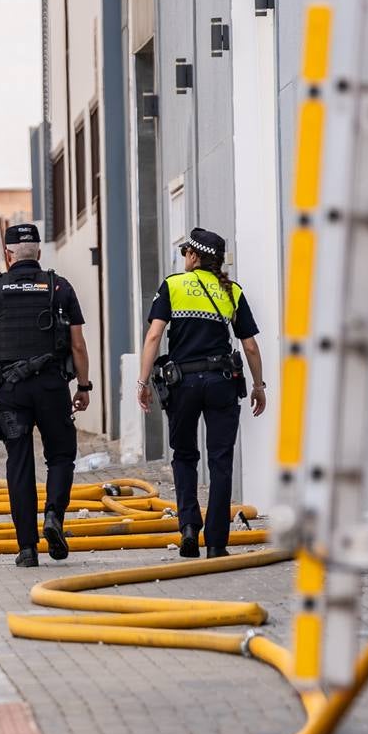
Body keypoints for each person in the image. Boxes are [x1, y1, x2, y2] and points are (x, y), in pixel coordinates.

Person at [136, 227, 267, 560]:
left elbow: (154, 337)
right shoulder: (232, 291)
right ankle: (218, 543)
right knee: (220, 461)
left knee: (184, 456)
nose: (184, 259)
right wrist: (258, 385)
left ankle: (189, 529)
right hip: (223, 382)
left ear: (193, 256)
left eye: (185, 254)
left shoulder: (173, 285)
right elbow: (249, 345)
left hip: (183, 384)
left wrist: (142, 383)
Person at [0, 223, 92, 568]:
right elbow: (78, 344)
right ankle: (53, 514)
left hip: (11, 391)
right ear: (38, 252)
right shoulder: (59, 287)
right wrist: (83, 386)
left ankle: (26, 549)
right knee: (62, 455)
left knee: (19, 464)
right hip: (52, 387)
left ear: (8, 255)